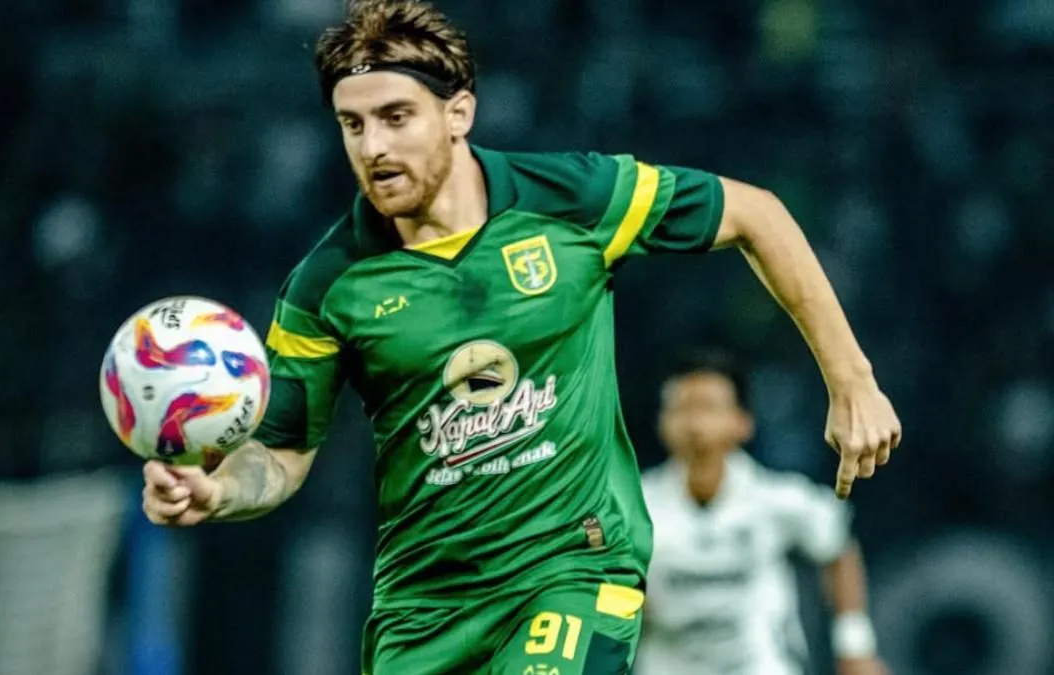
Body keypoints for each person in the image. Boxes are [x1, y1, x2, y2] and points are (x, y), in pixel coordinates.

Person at [140, 1, 901, 672]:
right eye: (353, 124)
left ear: (459, 113)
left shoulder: (572, 200)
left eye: (396, 117)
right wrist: (219, 488)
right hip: (421, 611)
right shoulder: (325, 285)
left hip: (572, 570)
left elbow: (756, 214)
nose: (373, 147)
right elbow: (281, 453)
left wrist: (852, 380)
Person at [636, 349, 888, 675]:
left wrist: (855, 646)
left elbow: (837, 546)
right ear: (662, 422)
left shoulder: (774, 500)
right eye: (682, 409)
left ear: (743, 422)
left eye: (708, 408)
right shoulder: (636, 507)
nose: (695, 424)